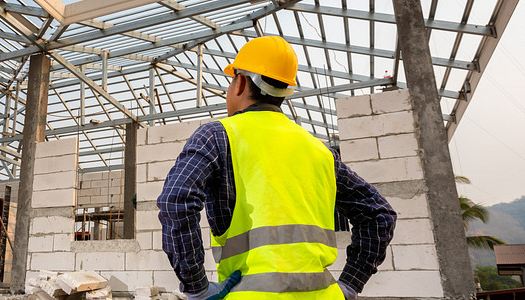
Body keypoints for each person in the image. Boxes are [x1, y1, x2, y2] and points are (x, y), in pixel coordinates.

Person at [157, 36, 396, 299]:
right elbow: (379, 215)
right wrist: (350, 285)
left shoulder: (217, 136)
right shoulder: (320, 151)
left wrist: (196, 287)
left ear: (241, 83)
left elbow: (176, 200)